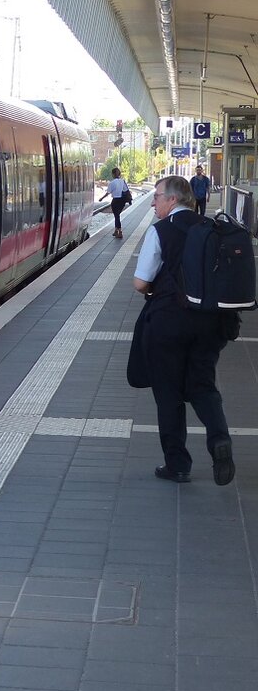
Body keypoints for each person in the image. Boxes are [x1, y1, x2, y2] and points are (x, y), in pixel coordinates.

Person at [132, 175, 235, 485]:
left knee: (169, 393)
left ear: (172, 200)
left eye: (157, 196)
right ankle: (219, 439)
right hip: (210, 322)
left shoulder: (160, 231)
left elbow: (140, 283)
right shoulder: (213, 229)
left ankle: (177, 465)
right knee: (203, 386)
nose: (153, 202)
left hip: (168, 323)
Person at [99, 167, 129, 238]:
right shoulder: (123, 181)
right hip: (122, 201)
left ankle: (120, 231)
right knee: (117, 215)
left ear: (113, 174)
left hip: (115, 201)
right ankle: (116, 230)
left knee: (117, 216)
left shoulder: (112, 183)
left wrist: (101, 198)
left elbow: (108, 193)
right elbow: (126, 190)